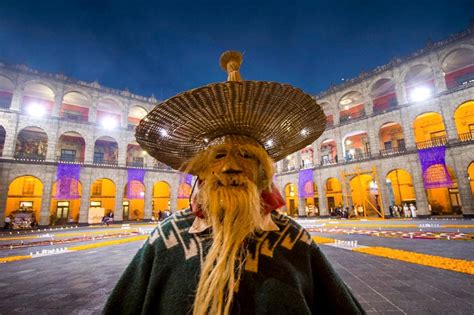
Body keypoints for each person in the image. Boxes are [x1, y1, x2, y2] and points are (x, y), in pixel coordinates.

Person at [104, 51, 363, 314]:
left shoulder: (294, 240)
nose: (230, 166)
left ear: (262, 172)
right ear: (202, 170)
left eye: (246, 156)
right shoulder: (165, 239)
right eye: (219, 155)